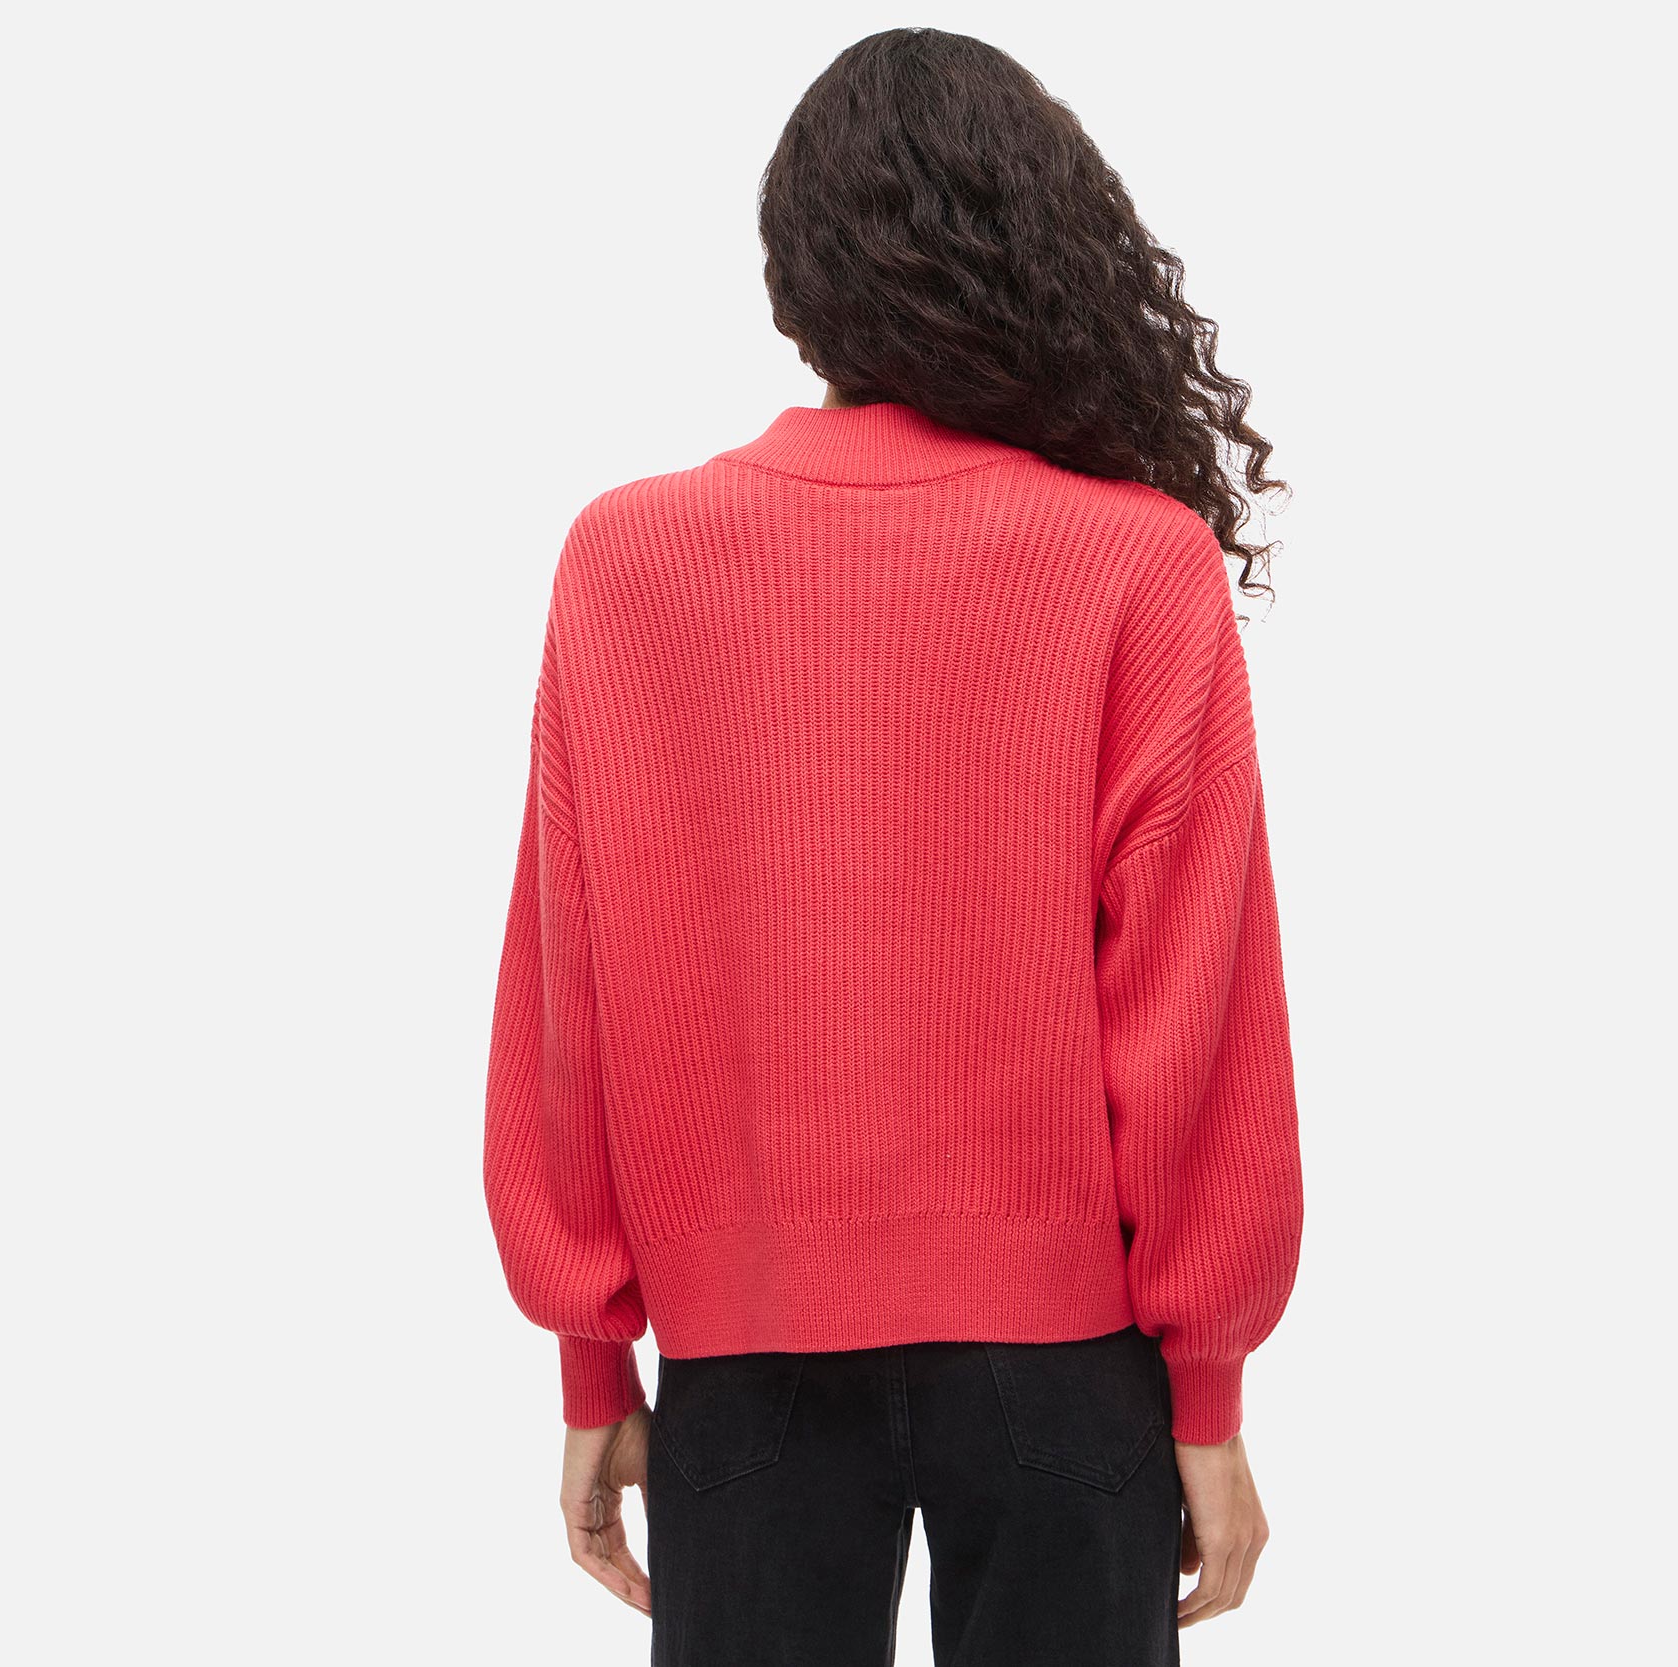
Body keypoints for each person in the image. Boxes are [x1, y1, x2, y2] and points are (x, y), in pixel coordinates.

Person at [483, 27, 1302, 1666]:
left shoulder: (628, 558)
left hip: (741, 1355)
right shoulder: (1134, 562)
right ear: (1048, 254)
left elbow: (572, 993)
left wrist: (594, 1359)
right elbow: (1193, 1014)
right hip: (1069, 1366)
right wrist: (1205, 1394)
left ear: (795, 280)